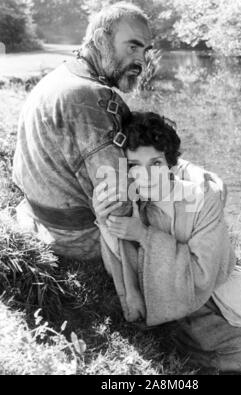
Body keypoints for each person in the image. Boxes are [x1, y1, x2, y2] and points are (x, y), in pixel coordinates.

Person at [13, 2, 225, 263]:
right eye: (132, 46)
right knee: (193, 217)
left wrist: (183, 170)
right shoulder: (90, 98)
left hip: (40, 217)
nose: (141, 60)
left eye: (145, 50)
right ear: (101, 39)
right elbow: (119, 205)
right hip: (78, 238)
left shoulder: (62, 76)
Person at [96, 112, 241, 375]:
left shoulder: (202, 198)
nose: (145, 176)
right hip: (188, 315)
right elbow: (125, 274)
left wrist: (145, 236)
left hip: (223, 289)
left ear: (170, 164)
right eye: (134, 165)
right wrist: (105, 221)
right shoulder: (130, 205)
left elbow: (203, 274)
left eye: (155, 163)